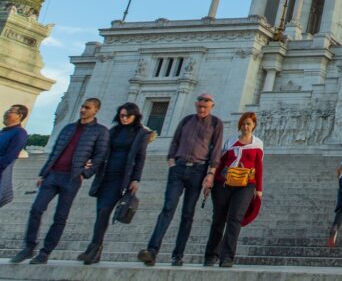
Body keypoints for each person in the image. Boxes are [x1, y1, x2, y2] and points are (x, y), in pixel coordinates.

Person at [11, 98, 109, 265]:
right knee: (36, 209)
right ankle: (29, 247)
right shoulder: (68, 128)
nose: (83, 110)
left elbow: (100, 155)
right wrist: (43, 173)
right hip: (53, 175)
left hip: (72, 178)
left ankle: (45, 252)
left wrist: (85, 173)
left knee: (60, 217)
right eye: (82, 107)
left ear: (96, 110)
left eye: (87, 108)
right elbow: (55, 151)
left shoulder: (100, 131)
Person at [139, 92, 224, 267]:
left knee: (188, 214)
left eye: (205, 106)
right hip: (178, 168)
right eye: (200, 105)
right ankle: (152, 250)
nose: (202, 108)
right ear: (196, 105)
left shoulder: (216, 123)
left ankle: (178, 255)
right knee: (167, 208)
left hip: (198, 170)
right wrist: (171, 159)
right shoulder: (186, 120)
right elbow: (175, 140)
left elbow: (216, 148)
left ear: (211, 106)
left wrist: (211, 172)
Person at [80, 102, 150, 265]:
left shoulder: (141, 134)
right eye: (121, 115)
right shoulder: (112, 131)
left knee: (104, 210)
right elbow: (100, 150)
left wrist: (136, 179)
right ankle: (95, 248)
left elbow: (140, 157)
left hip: (122, 177)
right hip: (106, 175)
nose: (124, 118)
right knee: (100, 212)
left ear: (135, 116)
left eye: (127, 116)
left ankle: (94, 248)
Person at [204, 111, 264, 267]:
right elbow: (220, 162)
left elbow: (259, 166)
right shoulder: (230, 143)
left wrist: (259, 189)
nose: (245, 126)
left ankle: (227, 257)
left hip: (246, 184)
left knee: (235, 219)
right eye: (243, 124)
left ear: (254, 126)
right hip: (224, 183)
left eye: (248, 124)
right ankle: (211, 255)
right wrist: (210, 179)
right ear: (239, 125)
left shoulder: (257, 144)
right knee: (218, 219)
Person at [0, 104, 30, 209]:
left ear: (19, 116)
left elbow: (9, 157)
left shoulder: (20, 133)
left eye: (10, 111)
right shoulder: (3, 132)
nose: (6, 113)